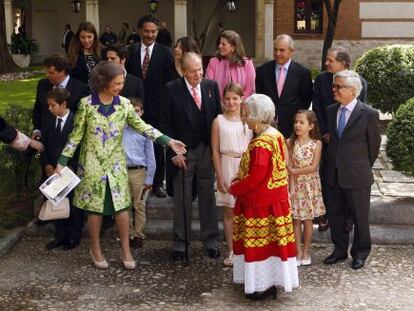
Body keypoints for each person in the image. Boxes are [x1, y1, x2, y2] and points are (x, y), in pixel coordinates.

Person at [55, 61, 186, 270]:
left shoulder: (124, 104)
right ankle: (95, 249)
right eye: (116, 83)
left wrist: (168, 141)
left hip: (116, 165)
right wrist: (61, 162)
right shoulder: (85, 104)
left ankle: (126, 250)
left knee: (122, 208)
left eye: (122, 82)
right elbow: (76, 135)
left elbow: (142, 127)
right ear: (103, 83)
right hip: (92, 165)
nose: (120, 87)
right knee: (94, 210)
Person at [229, 94, 298, 299]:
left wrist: (236, 188)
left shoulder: (260, 143)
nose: (244, 118)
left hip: (259, 203)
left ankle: (261, 285)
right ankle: (271, 282)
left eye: (247, 114)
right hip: (274, 200)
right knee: (272, 245)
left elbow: (258, 175)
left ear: (257, 117)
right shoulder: (275, 134)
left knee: (260, 246)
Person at [160, 52, 221, 262]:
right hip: (182, 152)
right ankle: (180, 243)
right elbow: (165, 124)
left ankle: (211, 240)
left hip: (206, 150)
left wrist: (216, 151)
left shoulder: (211, 87)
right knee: (182, 197)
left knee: (208, 196)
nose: (198, 74)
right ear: (184, 71)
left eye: (200, 70)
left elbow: (217, 119)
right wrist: (173, 153)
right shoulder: (171, 90)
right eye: (193, 71)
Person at [323, 70, 381, 270]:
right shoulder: (331, 110)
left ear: (353, 90)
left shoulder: (369, 114)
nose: (334, 90)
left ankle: (360, 253)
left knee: (360, 217)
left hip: (357, 175)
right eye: (334, 85)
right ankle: (339, 250)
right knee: (336, 215)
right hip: (334, 173)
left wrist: (360, 167)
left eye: (339, 86)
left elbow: (373, 148)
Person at [313, 46, 368, 232]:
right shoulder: (321, 80)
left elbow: (361, 114)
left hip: (349, 145)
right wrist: (326, 132)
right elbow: (318, 108)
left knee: (349, 180)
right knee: (328, 178)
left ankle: (349, 219)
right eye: (327, 60)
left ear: (343, 64)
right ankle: (326, 214)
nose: (326, 62)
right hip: (328, 139)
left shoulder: (360, 82)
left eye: (331, 60)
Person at [127, 15, 174, 198]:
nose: (150, 35)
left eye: (153, 31)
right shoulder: (130, 51)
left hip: (157, 108)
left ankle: (156, 184)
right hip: (134, 108)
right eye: (146, 31)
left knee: (156, 146)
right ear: (140, 31)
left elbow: (168, 83)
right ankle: (134, 181)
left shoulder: (165, 53)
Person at [211, 82, 253, 267]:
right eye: (227, 98)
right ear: (223, 100)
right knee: (229, 211)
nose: (231, 102)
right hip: (227, 165)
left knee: (246, 210)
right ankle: (232, 250)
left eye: (235, 98)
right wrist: (219, 176)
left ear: (242, 99)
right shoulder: (218, 121)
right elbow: (215, 151)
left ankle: (247, 249)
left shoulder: (248, 121)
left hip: (245, 165)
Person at [41, 88, 83, 251]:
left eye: (52, 105)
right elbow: (44, 146)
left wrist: (69, 166)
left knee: (73, 206)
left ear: (63, 104)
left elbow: (80, 147)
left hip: (71, 171)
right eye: (48, 106)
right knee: (56, 203)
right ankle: (60, 235)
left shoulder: (76, 121)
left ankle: (74, 236)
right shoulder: (47, 121)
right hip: (53, 171)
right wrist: (46, 164)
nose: (50, 109)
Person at [287, 110, 325, 266]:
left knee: (308, 220)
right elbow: (287, 165)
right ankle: (297, 251)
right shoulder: (289, 142)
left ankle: (306, 251)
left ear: (311, 126)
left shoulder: (317, 144)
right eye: (296, 122)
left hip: (310, 186)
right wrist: (292, 186)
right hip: (295, 185)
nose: (297, 125)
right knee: (295, 219)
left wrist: (295, 171)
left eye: (301, 122)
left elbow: (314, 166)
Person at [255, 34, 313, 138]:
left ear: (291, 51)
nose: (277, 53)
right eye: (275, 49)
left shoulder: (303, 73)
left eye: (282, 50)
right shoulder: (262, 70)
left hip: (291, 127)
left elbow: (306, 101)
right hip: (266, 126)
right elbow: (259, 98)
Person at [123, 98, 155, 249]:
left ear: (141, 113)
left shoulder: (145, 131)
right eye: (131, 111)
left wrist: (150, 178)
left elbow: (150, 157)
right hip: (122, 171)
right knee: (125, 205)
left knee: (139, 205)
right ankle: (127, 233)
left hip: (139, 172)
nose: (134, 114)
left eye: (137, 111)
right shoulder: (120, 129)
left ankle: (138, 234)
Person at [32, 55, 88, 138]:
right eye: (46, 72)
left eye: (51, 73)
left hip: (70, 137)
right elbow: (38, 109)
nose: (47, 75)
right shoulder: (42, 84)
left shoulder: (80, 88)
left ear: (62, 71)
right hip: (46, 137)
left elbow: (82, 116)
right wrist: (37, 130)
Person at [205, 30, 255, 100]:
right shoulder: (213, 62)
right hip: (218, 107)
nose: (219, 46)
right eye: (220, 43)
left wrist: (237, 103)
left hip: (241, 106)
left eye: (223, 44)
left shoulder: (247, 64)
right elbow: (208, 87)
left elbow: (250, 90)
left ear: (233, 47)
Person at [68, 21, 100, 92]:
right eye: (83, 37)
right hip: (81, 95)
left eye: (89, 37)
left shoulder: (102, 52)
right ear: (78, 37)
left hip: (101, 95)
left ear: (94, 36)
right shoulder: (74, 53)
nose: (86, 40)